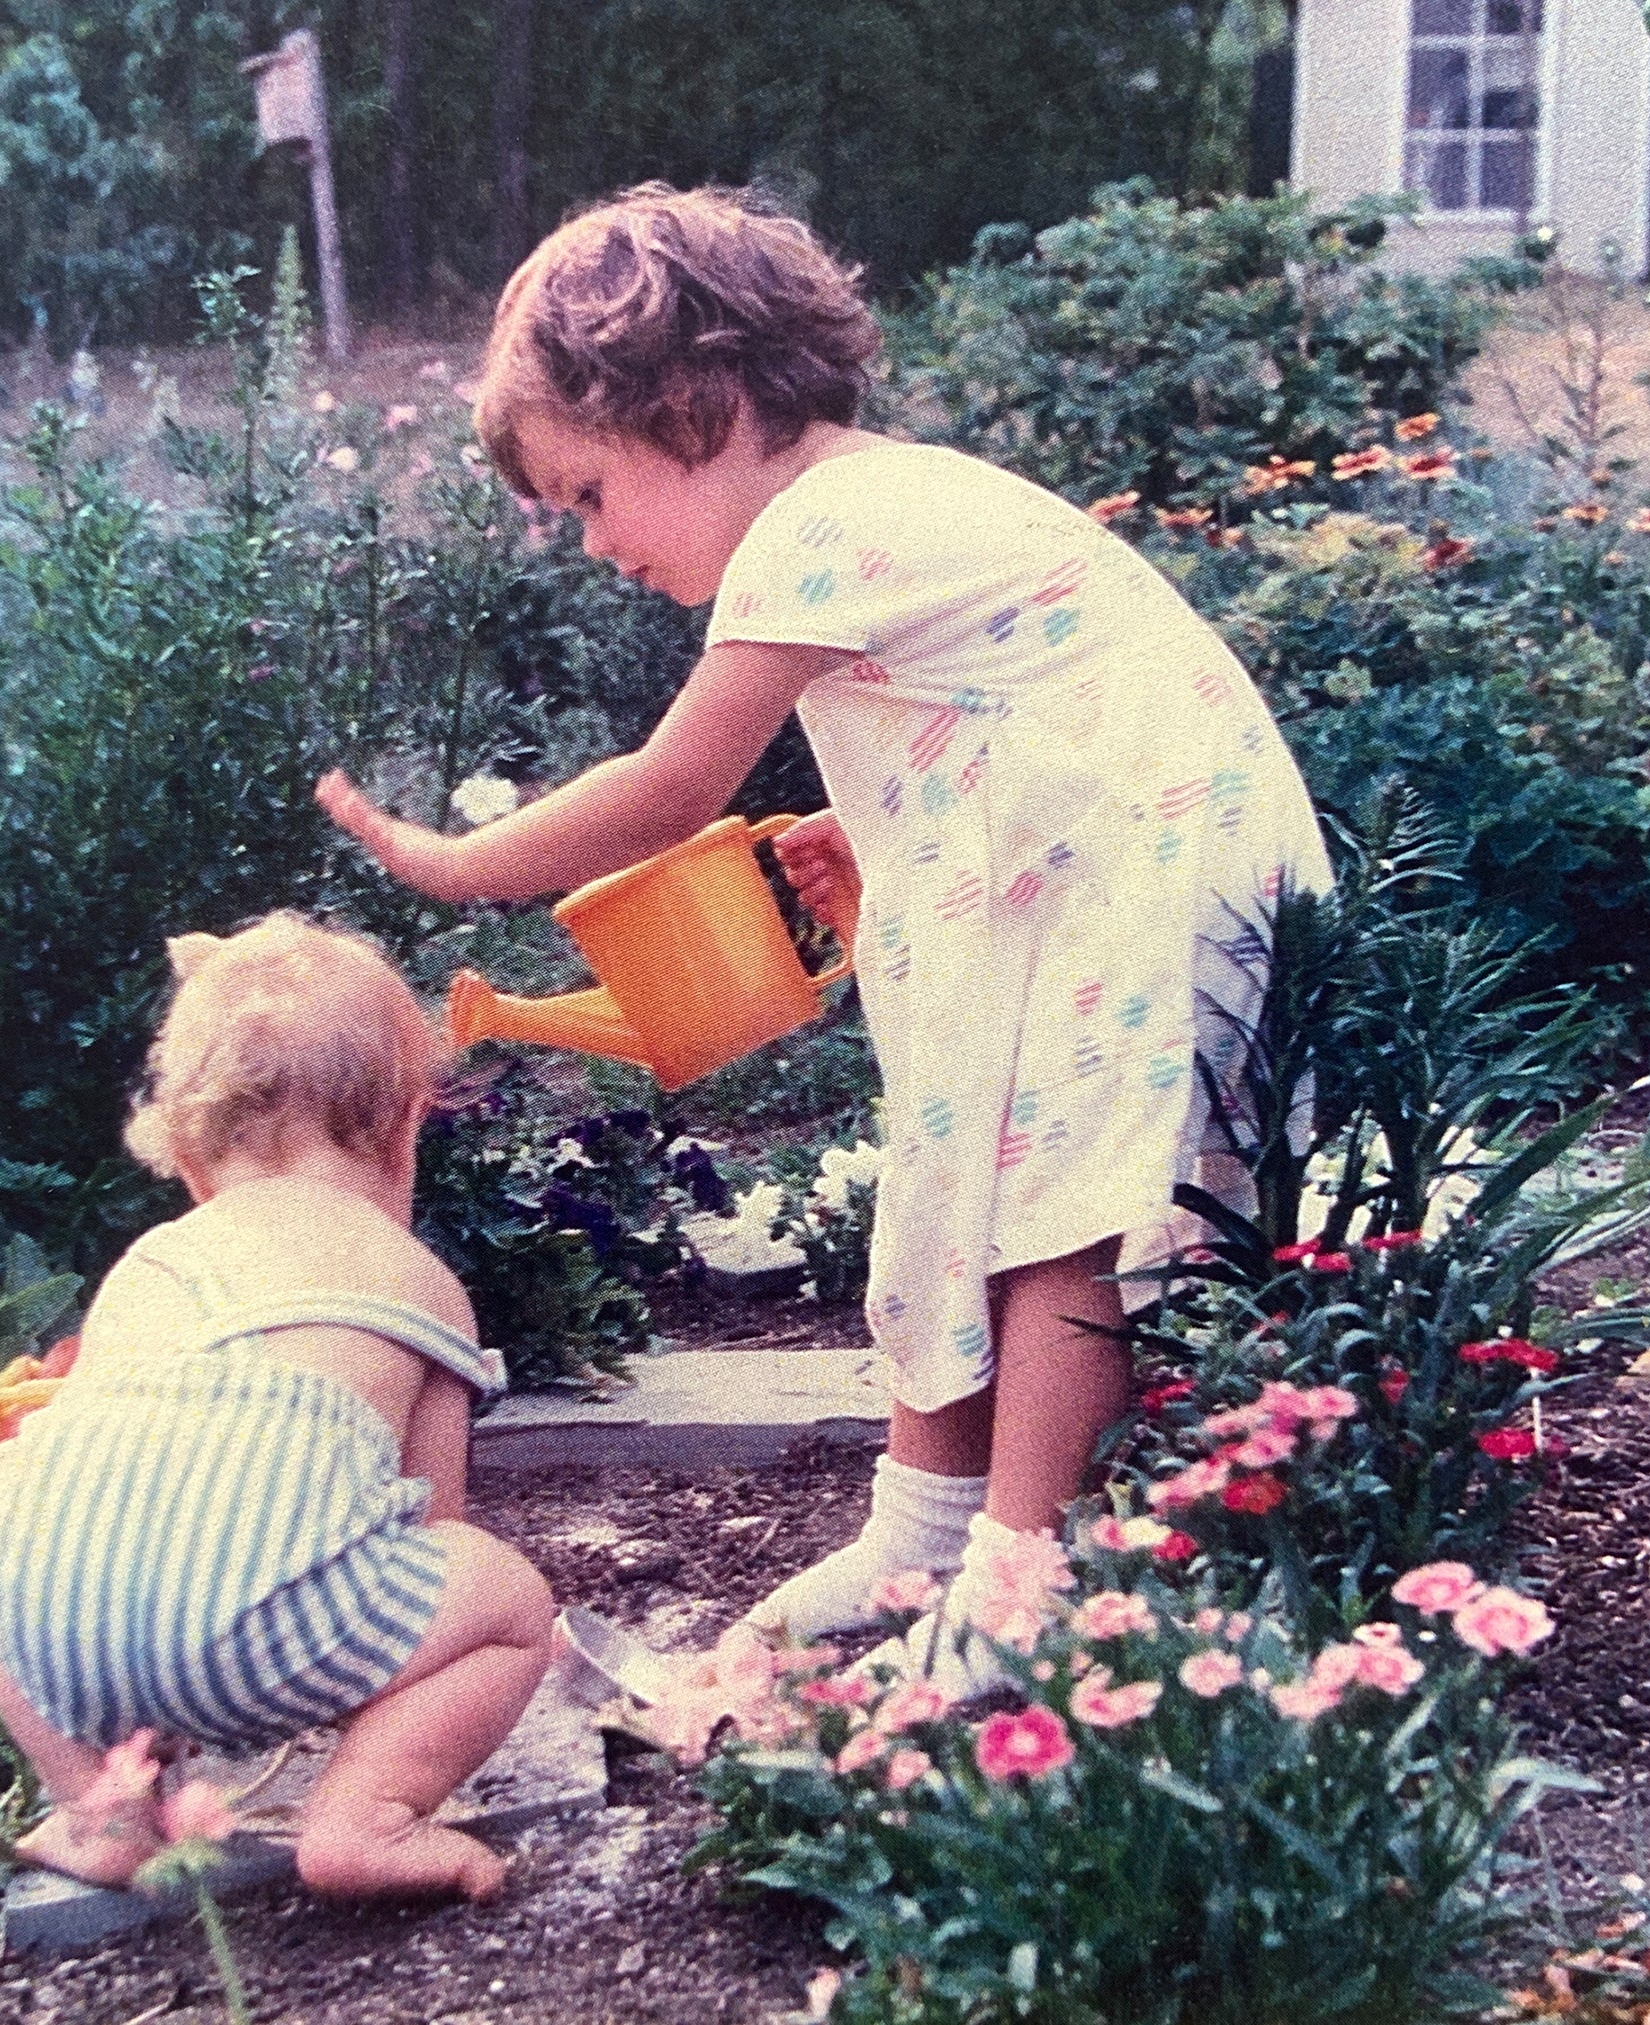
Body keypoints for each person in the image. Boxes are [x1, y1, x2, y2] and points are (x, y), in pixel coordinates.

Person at [318, 184, 1329, 1694]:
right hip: (1105, 853)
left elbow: (672, 784)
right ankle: (922, 1525)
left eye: (589, 495)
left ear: (699, 404)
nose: (591, 544)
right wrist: (893, 832)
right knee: (963, 1161)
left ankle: (1023, 1575)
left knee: (1062, 1213)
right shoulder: (872, 507)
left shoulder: (818, 527)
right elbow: (1015, 693)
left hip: (1152, 870)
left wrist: (465, 866)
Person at [0, 913, 554, 1900]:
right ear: (408, 1127)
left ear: (189, 1158)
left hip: (63, 1636)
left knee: (8, 1521)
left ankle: (99, 1810)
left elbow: (118, 1477)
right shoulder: (414, 1281)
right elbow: (430, 1524)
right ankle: (366, 1818)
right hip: (258, 1646)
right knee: (501, 1597)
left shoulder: (146, 1265)